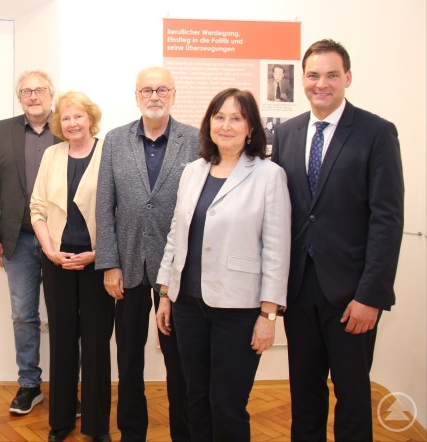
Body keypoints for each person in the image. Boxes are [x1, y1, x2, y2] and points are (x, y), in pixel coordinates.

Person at [271, 39, 405, 441]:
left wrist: (371, 296)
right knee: (304, 396)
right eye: (313, 75)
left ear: (347, 77)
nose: (321, 84)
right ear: (303, 80)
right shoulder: (289, 133)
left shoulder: (376, 132)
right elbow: (284, 213)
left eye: (331, 75)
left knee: (351, 397)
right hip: (300, 290)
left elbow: (387, 218)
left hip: (352, 296)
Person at [156, 88, 291, 441]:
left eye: (236, 118)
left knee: (227, 403)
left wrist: (268, 315)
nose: (226, 125)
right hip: (188, 305)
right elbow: (176, 235)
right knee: (195, 398)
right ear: (209, 123)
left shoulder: (268, 175)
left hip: (240, 309)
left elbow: (277, 250)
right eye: (219, 117)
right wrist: (166, 293)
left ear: (251, 128)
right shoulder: (192, 172)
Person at [95, 66, 198, 442]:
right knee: (129, 361)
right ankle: (131, 433)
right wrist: (109, 263)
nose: (154, 97)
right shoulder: (115, 140)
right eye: (147, 91)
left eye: (162, 90)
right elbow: (104, 206)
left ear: (173, 93)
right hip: (130, 268)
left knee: (180, 361)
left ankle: (184, 434)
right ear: (136, 96)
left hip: (177, 271)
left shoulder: (195, 139)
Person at [31, 91, 114, 442]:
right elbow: (37, 208)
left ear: (90, 118)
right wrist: (51, 253)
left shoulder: (109, 152)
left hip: (96, 264)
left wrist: (98, 253)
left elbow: (119, 211)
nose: (72, 123)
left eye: (78, 116)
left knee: (95, 346)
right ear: (58, 123)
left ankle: (96, 427)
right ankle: (60, 423)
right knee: (63, 343)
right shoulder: (52, 154)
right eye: (66, 118)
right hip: (58, 263)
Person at [0, 70, 59, 415]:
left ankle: (69, 385)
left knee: (66, 317)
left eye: (39, 89)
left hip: (61, 241)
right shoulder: (1, 130)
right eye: (26, 91)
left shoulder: (69, 125)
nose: (33, 96)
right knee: (24, 316)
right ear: (19, 97)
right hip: (18, 241)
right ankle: (29, 385)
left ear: (51, 93)